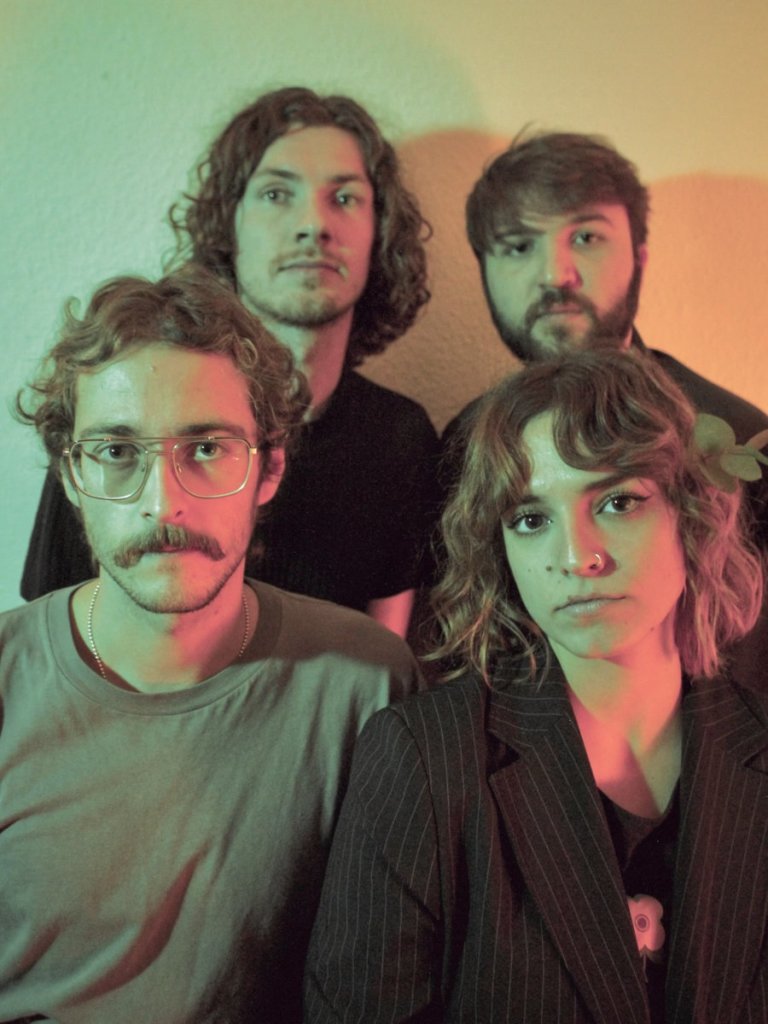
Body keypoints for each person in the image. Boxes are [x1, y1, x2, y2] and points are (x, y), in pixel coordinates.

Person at [1, 268, 421, 1024]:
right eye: (118, 451)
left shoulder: (367, 686)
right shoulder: (8, 681)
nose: (164, 503)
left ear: (270, 469)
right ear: (71, 475)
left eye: (205, 448)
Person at [305, 351, 768, 1023]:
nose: (577, 556)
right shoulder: (424, 760)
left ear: (691, 513)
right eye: (530, 519)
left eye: (617, 502)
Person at [21, 86, 439, 638]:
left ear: (379, 232)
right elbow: (50, 646)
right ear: (229, 226)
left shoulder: (399, 439)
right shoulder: (117, 409)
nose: (313, 225)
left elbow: (389, 659)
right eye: (276, 193)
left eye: (344, 198)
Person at [441, 130, 768, 677]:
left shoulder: (736, 432)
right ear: (483, 270)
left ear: (639, 257)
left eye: (587, 237)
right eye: (519, 246)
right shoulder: (461, 442)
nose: (556, 275)